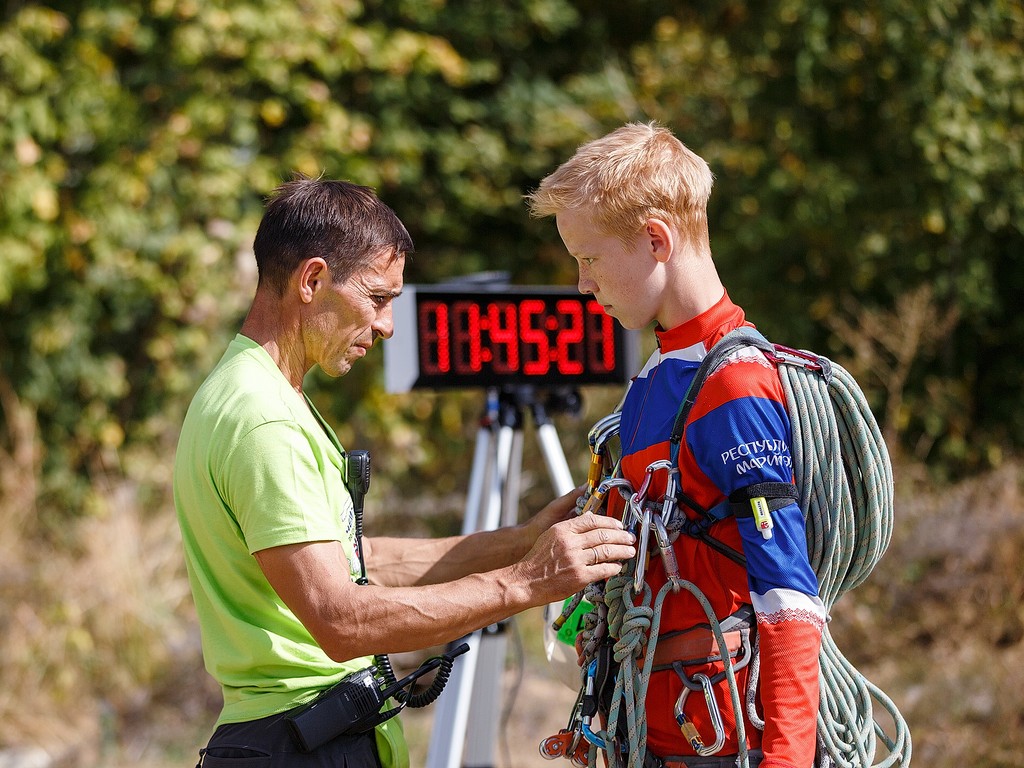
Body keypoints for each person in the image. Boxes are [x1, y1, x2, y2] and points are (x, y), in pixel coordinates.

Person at [173, 177, 636, 768]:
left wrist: (520, 542)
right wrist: (524, 583)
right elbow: (339, 617)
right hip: (301, 746)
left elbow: (350, 559)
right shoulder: (264, 421)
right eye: (376, 297)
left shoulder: (249, 390)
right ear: (312, 280)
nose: (389, 325)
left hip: (299, 740)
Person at [526, 123, 826, 768]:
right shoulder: (656, 379)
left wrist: (788, 759)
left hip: (716, 740)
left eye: (589, 259)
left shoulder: (735, 385)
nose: (583, 285)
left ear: (656, 240)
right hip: (648, 733)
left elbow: (788, 595)